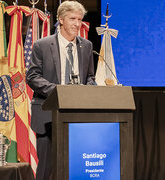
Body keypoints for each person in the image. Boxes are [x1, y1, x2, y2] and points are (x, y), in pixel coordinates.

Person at [26, 1, 96, 179]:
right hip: (47, 113)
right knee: (46, 167)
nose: (77, 24)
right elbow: (32, 76)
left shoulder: (86, 46)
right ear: (61, 20)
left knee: (75, 165)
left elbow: (89, 77)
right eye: (72, 18)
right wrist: (59, 92)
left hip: (77, 114)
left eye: (79, 19)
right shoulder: (42, 45)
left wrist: (89, 91)